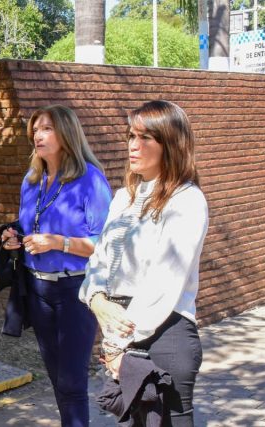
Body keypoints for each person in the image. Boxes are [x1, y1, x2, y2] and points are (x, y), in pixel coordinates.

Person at [80, 100, 208, 427]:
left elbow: (164, 283)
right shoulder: (125, 198)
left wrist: (116, 344)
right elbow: (100, 260)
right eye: (130, 136)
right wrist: (96, 300)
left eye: (145, 138)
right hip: (123, 330)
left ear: (171, 144)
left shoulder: (186, 200)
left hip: (165, 334)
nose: (133, 146)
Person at [0, 105, 112, 427]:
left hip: (75, 290)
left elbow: (103, 245)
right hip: (38, 289)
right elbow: (29, 226)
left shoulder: (90, 180)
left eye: (46, 128)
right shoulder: (31, 180)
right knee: (57, 379)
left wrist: (57, 242)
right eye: (35, 129)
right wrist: (14, 238)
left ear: (66, 134)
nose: (38, 135)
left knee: (72, 381)